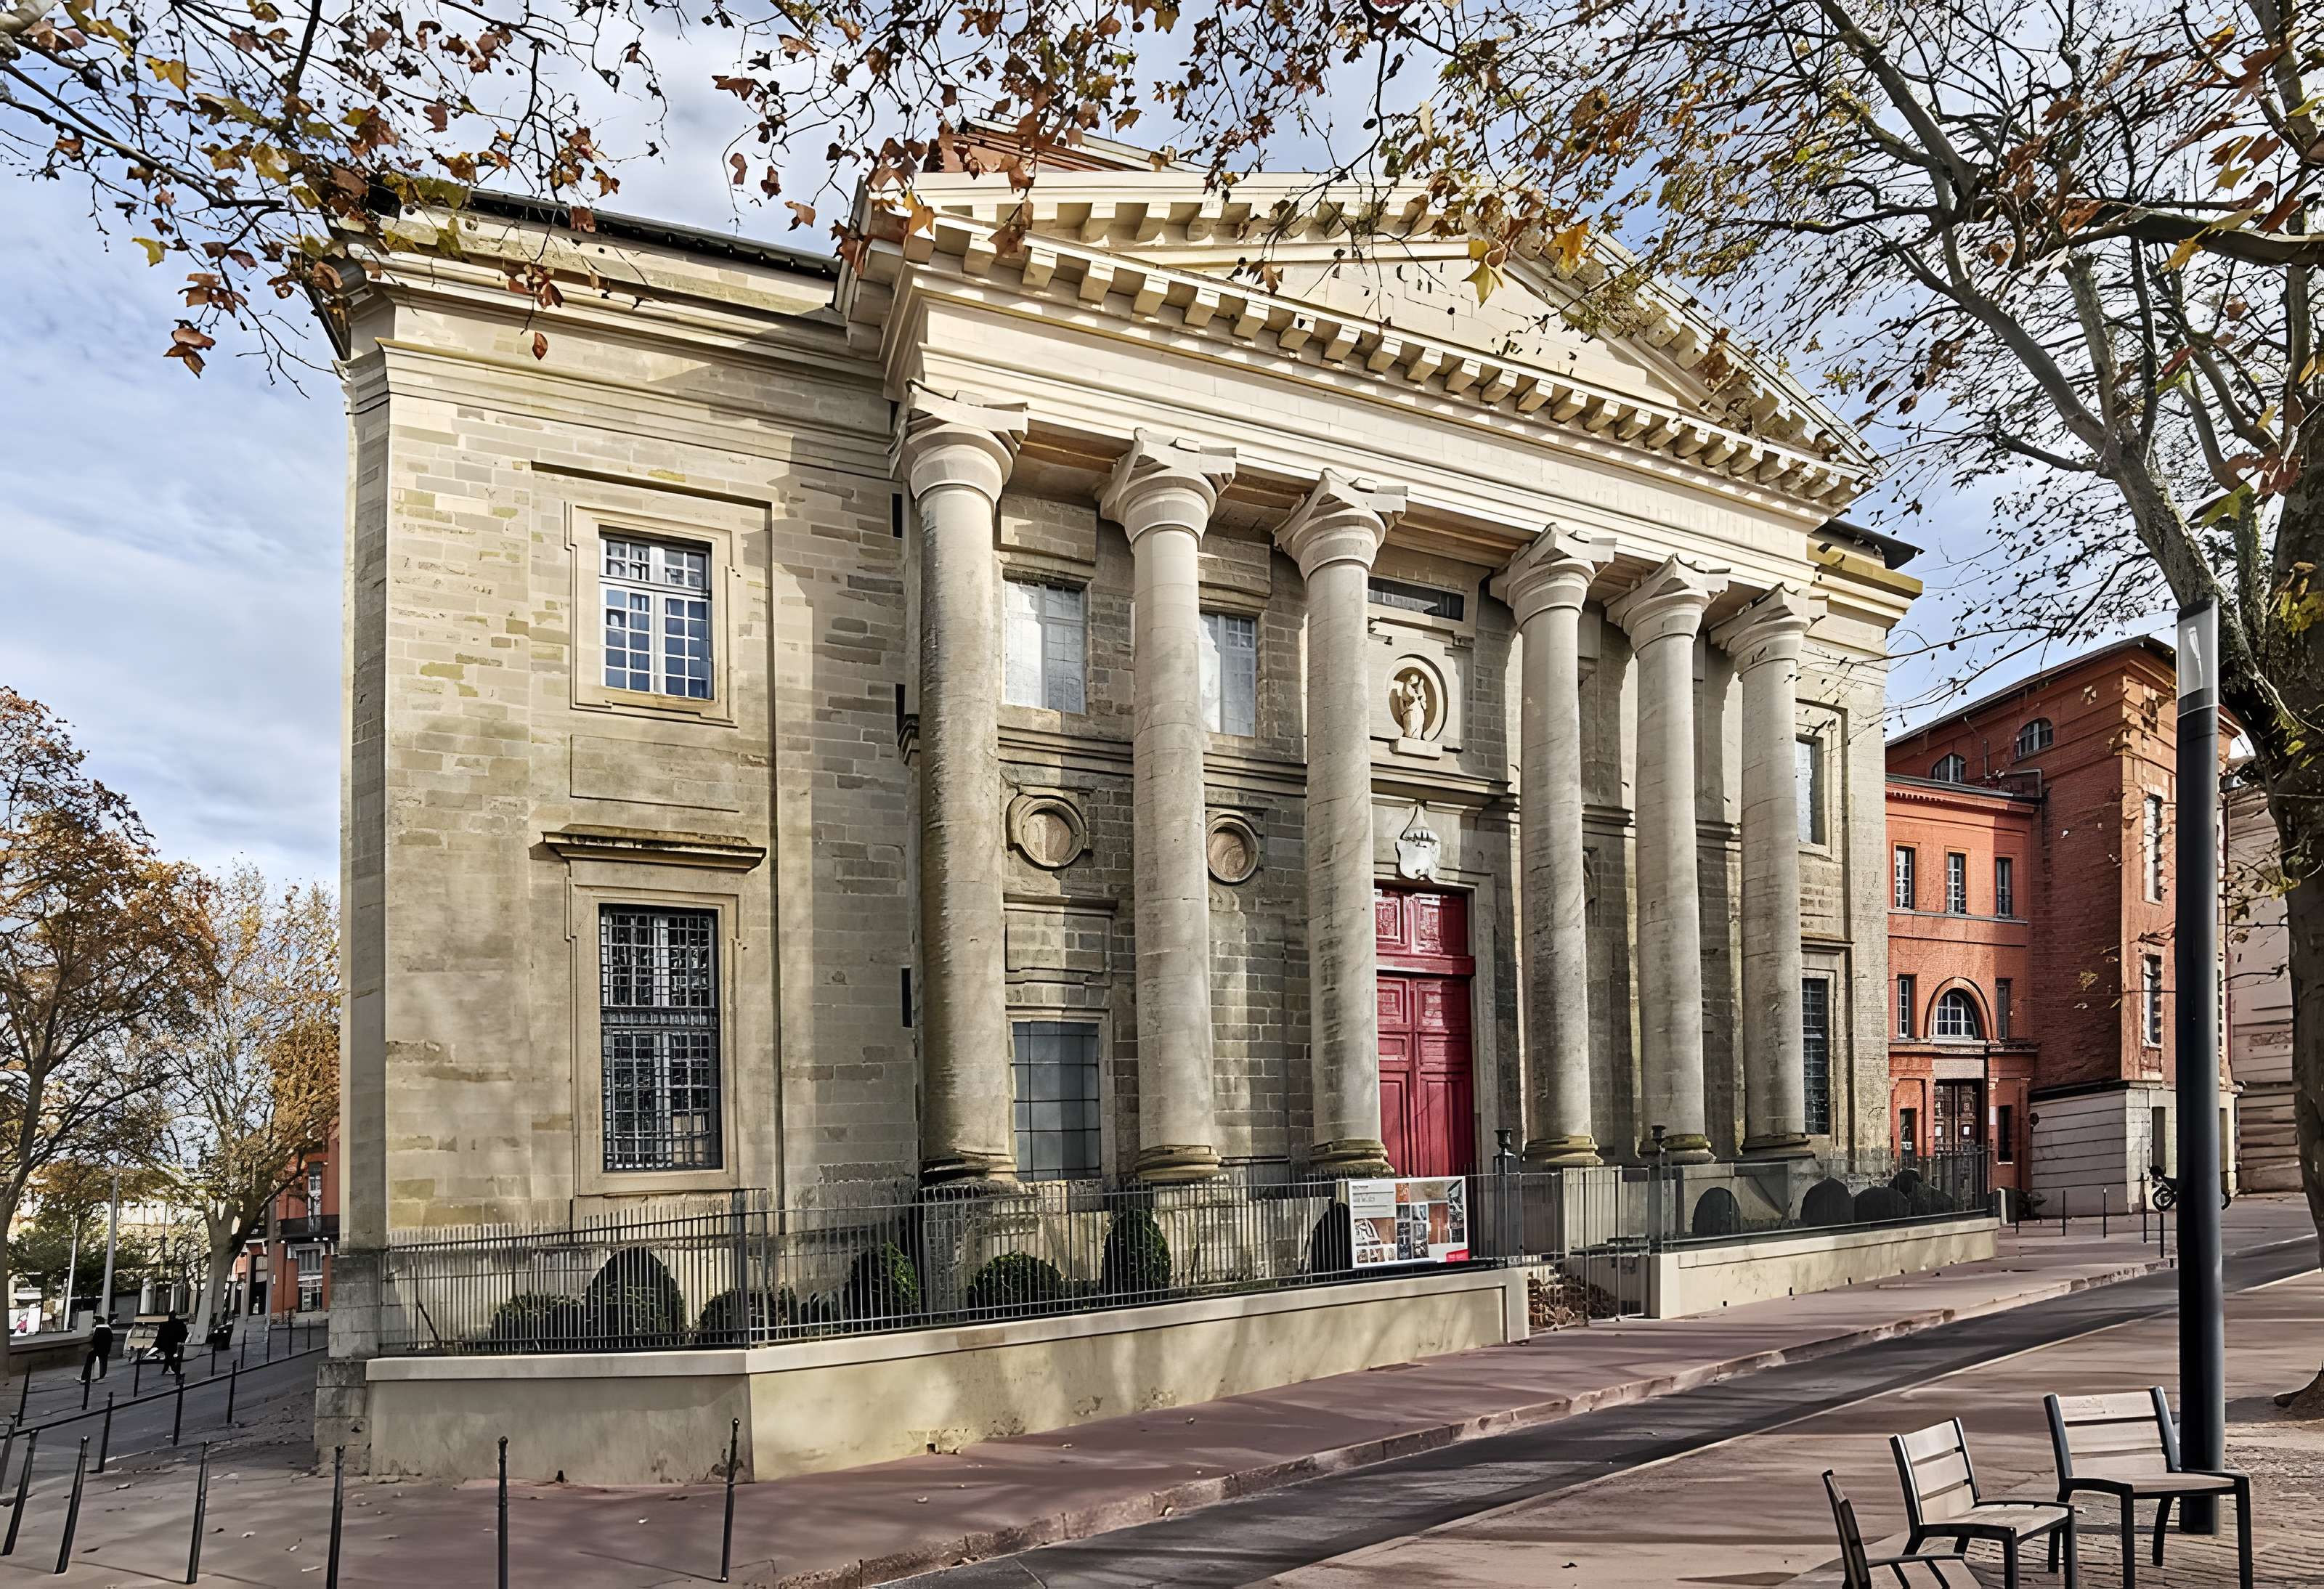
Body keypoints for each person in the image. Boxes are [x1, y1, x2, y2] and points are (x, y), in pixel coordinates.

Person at [155, 1311, 187, 1378]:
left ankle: (165, 1370)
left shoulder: (168, 1324)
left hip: (170, 1344)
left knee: (168, 1358)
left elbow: (160, 1336)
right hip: (170, 1345)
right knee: (170, 1359)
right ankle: (177, 1373)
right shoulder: (175, 1324)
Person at [80, 1315, 113, 1383]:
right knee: (103, 1362)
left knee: (89, 1361)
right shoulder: (109, 1330)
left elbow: (92, 1339)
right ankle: (101, 1376)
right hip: (105, 1350)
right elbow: (111, 1339)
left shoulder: (96, 1330)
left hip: (96, 1349)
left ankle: (85, 1377)